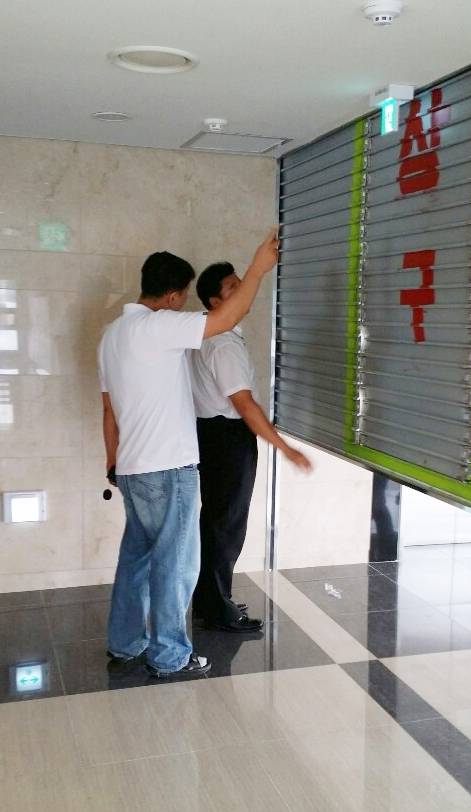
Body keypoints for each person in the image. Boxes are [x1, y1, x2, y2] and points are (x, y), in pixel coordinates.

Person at [98, 232, 278, 677]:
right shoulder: (158, 326)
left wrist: (112, 461)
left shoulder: (112, 335)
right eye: (181, 298)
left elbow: (108, 409)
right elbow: (226, 317)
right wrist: (258, 269)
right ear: (174, 296)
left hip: (132, 468)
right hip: (168, 468)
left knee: (136, 561)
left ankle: (125, 645)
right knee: (175, 565)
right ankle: (170, 656)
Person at [190, 262, 312, 633]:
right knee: (225, 525)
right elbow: (244, 405)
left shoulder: (204, 332)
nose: (243, 288)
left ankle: (210, 601)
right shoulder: (224, 344)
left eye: (240, 281)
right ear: (215, 302)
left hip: (210, 434)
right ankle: (217, 609)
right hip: (228, 438)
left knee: (216, 520)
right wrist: (286, 449)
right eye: (233, 287)